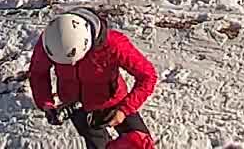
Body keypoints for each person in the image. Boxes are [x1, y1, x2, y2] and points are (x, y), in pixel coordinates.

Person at [28, 9, 159, 147]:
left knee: (141, 143)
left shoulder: (114, 44)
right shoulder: (51, 40)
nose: (71, 65)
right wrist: (46, 104)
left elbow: (148, 76)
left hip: (114, 102)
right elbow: (38, 73)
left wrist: (124, 110)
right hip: (77, 106)